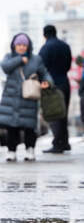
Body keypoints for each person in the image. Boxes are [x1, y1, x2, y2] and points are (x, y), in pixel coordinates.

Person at [0, 33, 53, 162]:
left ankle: (30, 150)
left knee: (29, 128)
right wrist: (20, 60)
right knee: (11, 128)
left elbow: (44, 73)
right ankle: (11, 152)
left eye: (24, 45)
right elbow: (5, 67)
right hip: (11, 99)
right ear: (14, 46)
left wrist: (47, 82)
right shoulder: (9, 57)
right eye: (19, 45)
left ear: (28, 46)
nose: (21, 47)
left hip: (29, 98)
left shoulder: (36, 59)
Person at [39, 25, 72, 153]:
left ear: (44, 35)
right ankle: (65, 142)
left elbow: (41, 67)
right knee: (63, 113)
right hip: (65, 82)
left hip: (52, 85)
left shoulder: (46, 48)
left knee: (54, 114)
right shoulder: (65, 46)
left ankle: (58, 144)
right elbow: (69, 65)